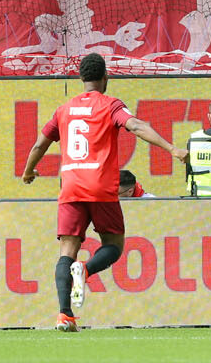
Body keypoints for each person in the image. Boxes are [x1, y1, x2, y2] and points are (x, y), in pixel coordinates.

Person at [20, 53, 187, 332]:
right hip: (99, 186)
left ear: (81, 79)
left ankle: (64, 314)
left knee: (66, 252)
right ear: (106, 78)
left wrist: (28, 172)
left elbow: (39, 145)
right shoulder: (111, 106)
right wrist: (172, 149)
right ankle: (85, 271)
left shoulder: (64, 110)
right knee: (114, 246)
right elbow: (136, 126)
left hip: (71, 187)